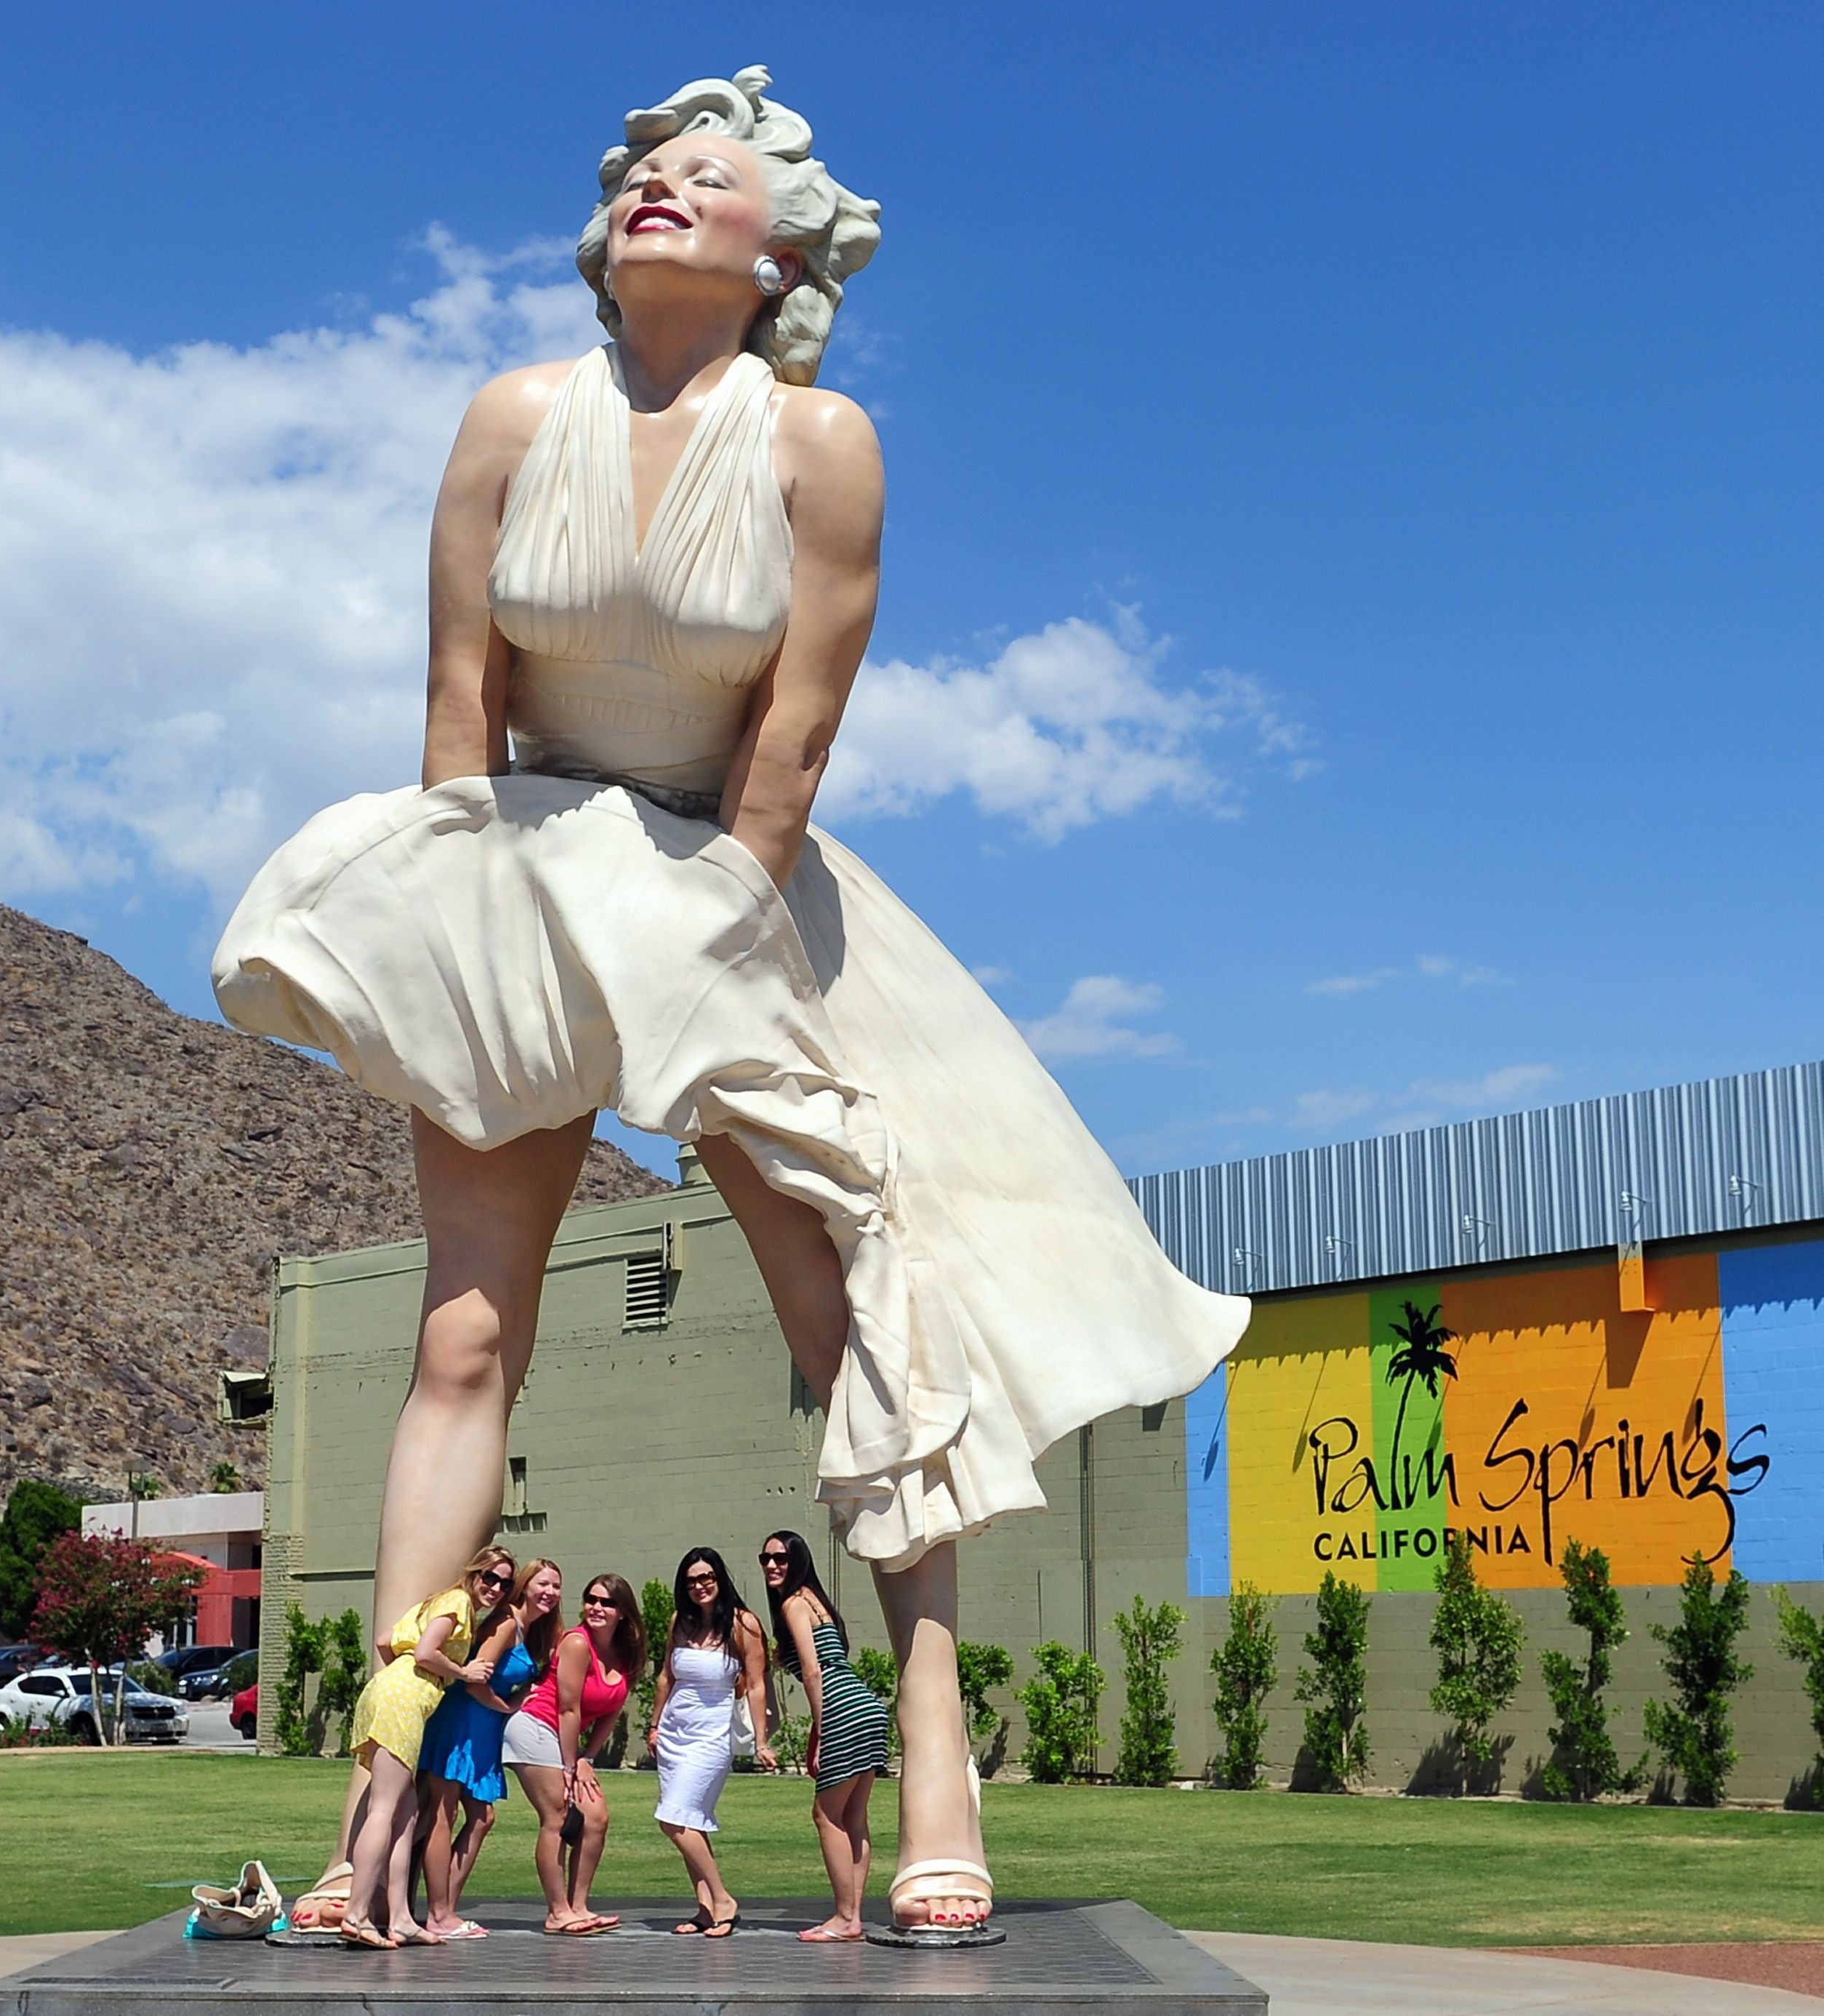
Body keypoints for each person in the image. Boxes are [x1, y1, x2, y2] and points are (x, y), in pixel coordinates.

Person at [211, 63, 1246, 1936]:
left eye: (710, 176)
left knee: (852, 1318)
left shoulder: (817, 444)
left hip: (730, 883)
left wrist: (707, 940)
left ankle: (929, 1734)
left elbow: (792, 750)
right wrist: (456, 943)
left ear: (780, 250)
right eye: (647, 174)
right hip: (518, 873)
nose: (663, 191)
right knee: (458, 1343)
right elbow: (459, 710)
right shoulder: (509, 415)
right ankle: (374, 1803)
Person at [337, 1546, 514, 1948]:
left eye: (504, 1583)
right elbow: (425, 1652)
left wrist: (399, 1679)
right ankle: (357, 1913)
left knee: (407, 1812)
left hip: (393, 1694)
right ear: (473, 1573)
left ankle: (400, 1917)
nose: (496, 1588)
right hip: (403, 1701)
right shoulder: (456, 1602)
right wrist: (462, 1671)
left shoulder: (436, 1604)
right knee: (384, 1808)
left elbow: (386, 1641)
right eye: (490, 1577)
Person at [415, 1555, 562, 1937]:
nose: (549, 1593)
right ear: (525, 1586)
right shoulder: (506, 1623)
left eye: (555, 1586)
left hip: (483, 1731)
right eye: (541, 1584)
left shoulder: (528, 1629)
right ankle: (439, 1914)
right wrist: (511, 1705)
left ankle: (445, 1910)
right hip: (461, 1722)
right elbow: (474, 1680)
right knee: (443, 1813)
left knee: (482, 1818)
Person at [762, 1529, 891, 1940]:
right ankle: (851, 1916)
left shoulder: (795, 1604)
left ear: (797, 1560)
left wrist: (820, 1728)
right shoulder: (818, 1603)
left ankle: (845, 1918)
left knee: (826, 1815)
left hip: (842, 1709)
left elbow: (815, 1671)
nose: (771, 1565)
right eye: (765, 1559)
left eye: (780, 1558)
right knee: (854, 1815)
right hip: (867, 1707)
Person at [502, 1571, 640, 1935]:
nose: (596, 1608)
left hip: (565, 1742)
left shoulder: (622, 1652)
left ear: (622, 1612)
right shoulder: (577, 1644)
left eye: (607, 1603)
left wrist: (587, 1758)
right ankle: (557, 1912)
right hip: (535, 1728)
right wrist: (570, 1764)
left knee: (596, 1818)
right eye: (591, 1599)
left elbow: (611, 1710)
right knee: (559, 1817)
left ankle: (579, 1907)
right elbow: (568, 1709)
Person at [646, 1547, 775, 1936]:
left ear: (720, 1579)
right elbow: (667, 1677)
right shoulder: (679, 1623)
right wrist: (653, 1725)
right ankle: (705, 1908)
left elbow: (755, 1685)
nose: (700, 1586)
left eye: (707, 1578)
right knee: (690, 1822)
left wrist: (762, 1741)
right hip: (674, 1734)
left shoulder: (743, 1624)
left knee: (673, 1819)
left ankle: (723, 1900)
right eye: (691, 1581)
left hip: (712, 1736)